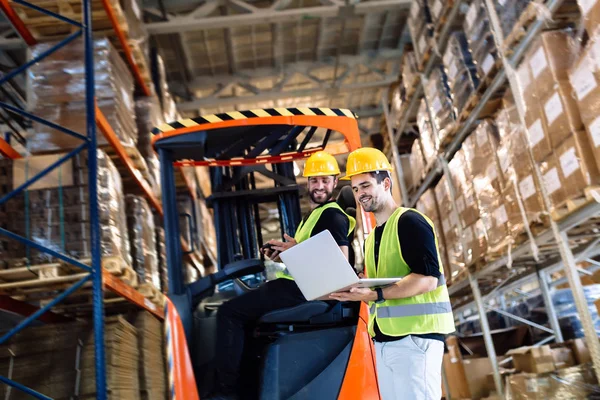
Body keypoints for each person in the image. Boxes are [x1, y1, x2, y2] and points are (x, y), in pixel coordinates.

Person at [208, 151, 356, 400]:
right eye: (314, 180)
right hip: (299, 285)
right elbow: (309, 256)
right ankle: (245, 388)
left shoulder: (333, 215)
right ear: (307, 183)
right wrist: (283, 255)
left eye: (325, 181)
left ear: (334, 182)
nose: (319, 186)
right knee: (246, 318)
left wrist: (295, 251)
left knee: (229, 313)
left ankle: (225, 394)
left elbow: (339, 265)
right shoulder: (312, 217)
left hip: (303, 291)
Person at [329, 147, 455, 400]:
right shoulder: (373, 236)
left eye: (365, 186)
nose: (360, 194)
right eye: (355, 189)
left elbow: (427, 279)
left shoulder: (409, 222)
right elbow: (384, 282)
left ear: (385, 183)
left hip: (416, 339)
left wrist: (375, 294)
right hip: (387, 340)